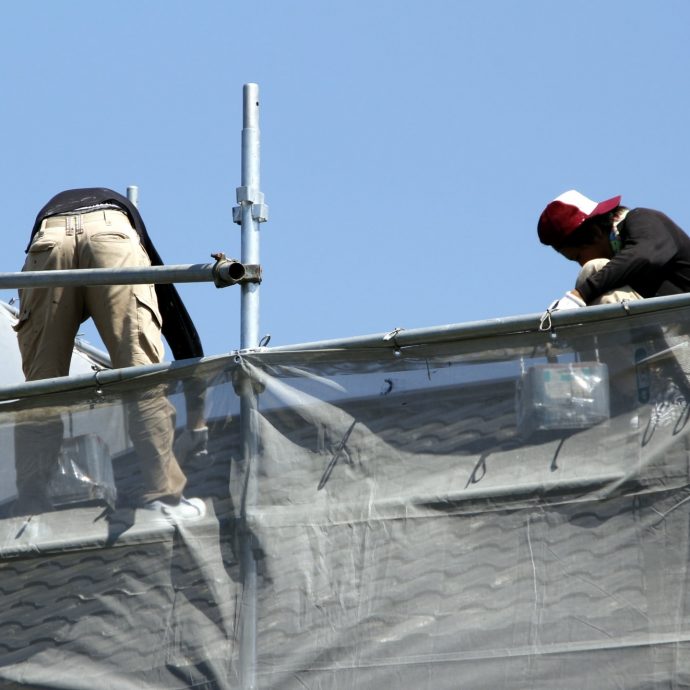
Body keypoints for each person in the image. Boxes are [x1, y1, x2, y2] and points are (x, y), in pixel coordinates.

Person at [13, 187, 207, 519]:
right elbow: (182, 333)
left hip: (49, 237)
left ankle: (30, 506)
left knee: (41, 387)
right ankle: (165, 496)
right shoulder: (132, 235)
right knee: (139, 374)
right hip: (110, 231)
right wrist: (199, 426)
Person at [538, 189, 690, 308]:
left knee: (594, 269)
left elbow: (643, 255)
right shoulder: (620, 264)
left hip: (682, 331)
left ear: (596, 233)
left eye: (578, 256)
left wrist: (579, 295)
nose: (581, 264)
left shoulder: (644, 220)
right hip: (669, 333)